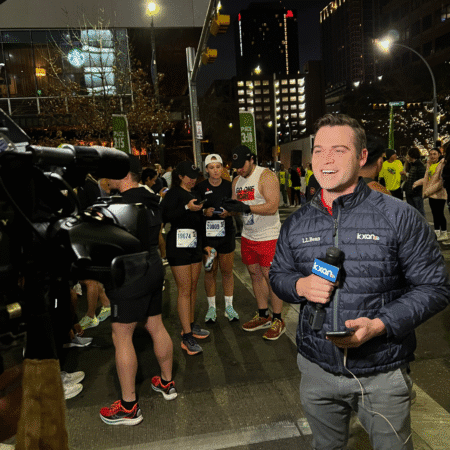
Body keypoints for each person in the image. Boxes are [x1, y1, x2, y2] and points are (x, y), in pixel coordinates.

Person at [269, 113, 450, 450]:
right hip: (316, 369)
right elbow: (278, 275)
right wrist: (300, 287)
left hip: (382, 371)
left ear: (362, 157)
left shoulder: (398, 216)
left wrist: (381, 324)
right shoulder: (297, 223)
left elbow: (435, 288)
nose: (326, 160)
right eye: (319, 150)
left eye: (339, 150)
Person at [100, 155, 177, 426]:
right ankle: (167, 383)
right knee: (155, 324)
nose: (106, 177)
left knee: (121, 335)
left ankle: (129, 407)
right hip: (153, 264)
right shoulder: (152, 198)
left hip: (129, 271)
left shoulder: (117, 205)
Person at [222, 145, 286, 341]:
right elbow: (237, 206)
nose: (240, 169)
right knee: (255, 274)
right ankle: (263, 314)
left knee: (270, 276)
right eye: (237, 166)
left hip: (268, 236)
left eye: (243, 165)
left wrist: (245, 207)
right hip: (248, 235)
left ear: (251, 160)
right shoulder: (236, 181)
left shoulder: (266, 176)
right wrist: (227, 209)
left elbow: (273, 206)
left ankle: (278, 319)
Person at [160, 160, 210, 356]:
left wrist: (205, 244)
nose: (192, 181)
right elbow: (165, 217)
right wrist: (186, 208)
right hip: (178, 246)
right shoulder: (172, 194)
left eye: (195, 177)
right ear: (180, 176)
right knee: (184, 289)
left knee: (192, 288)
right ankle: (186, 336)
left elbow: (199, 222)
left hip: (194, 245)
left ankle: (189, 325)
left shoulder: (195, 193)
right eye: (189, 177)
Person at [194, 154, 239, 323]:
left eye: (218, 167)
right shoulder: (200, 187)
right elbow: (194, 209)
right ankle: (211, 308)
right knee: (209, 271)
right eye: (211, 167)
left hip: (227, 233)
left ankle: (229, 307)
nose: (215, 170)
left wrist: (230, 212)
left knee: (227, 271)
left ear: (222, 168)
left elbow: (237, 209)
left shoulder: (230, 186)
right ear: (206, 170)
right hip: (208, 238)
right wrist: (204, 212)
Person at [413, 148, 448, 241]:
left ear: (439, 154)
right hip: (431, 194)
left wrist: (427, 192)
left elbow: (440, 182)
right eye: (431, 154)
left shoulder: (442, 165)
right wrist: (416, 183)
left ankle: (444, 233)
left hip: (439, 194)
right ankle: (436, 232)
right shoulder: (429, 165)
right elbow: (427, 179)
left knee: (440, 214)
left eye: (434, 154)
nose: (432, 156)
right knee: (435, 214)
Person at [403, 148, 426, 216]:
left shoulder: (419, 166)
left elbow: (422, 180)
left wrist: (415, 190)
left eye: (408, 154)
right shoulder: (413, 165)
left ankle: (422, 226)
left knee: (420, 213)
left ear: (411, 155)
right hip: (411, 193)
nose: (407, 156)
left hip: (416, 194)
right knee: (414, 213)